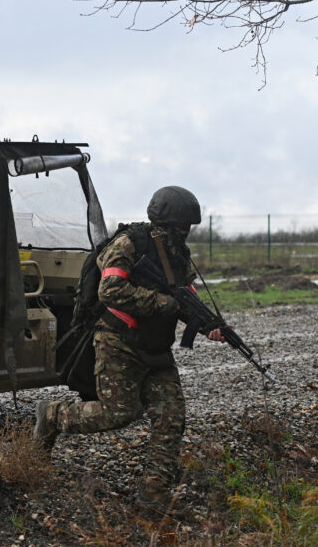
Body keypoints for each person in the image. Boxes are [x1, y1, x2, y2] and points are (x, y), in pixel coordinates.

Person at [33, 186, 225, 516]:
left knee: (171, 417)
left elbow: (186, 297)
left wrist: (207, 324)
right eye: (183, 226)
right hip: (118, 341)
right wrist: (161, 302)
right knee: (117, 414)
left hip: (156, 348)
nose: (186, 233)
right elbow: (110, 291)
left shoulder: (179, 255)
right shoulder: (129, 243)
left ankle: (153, 494)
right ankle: (51, 416)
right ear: (167, 222)